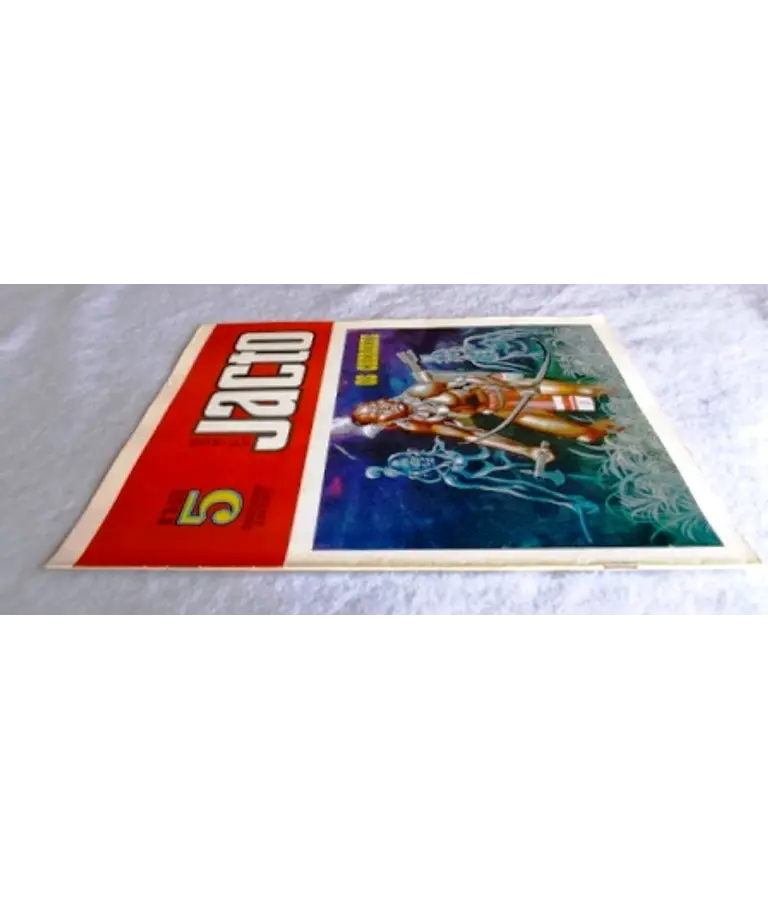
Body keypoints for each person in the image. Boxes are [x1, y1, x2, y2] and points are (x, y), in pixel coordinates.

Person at [351, 370, 616, 464]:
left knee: (590, 391)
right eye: (375, 414)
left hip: (509, 389)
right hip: (504, 410)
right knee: (586, 435)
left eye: (375, 404)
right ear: (382, 423)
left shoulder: (416, 391)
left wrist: (507, 384)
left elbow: (468, 379)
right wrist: (526, 451)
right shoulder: (417, 424)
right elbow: (472, 434)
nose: (381, 407)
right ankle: (620, 425)